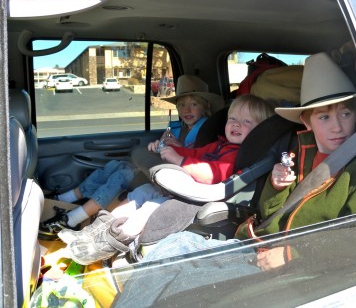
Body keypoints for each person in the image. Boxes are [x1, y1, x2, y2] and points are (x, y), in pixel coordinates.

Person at [111, 52, 356, 307]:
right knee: (173, 245)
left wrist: (291, 255)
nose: (338, 127)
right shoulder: (299, 150)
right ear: (306, 121)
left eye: (345, 113)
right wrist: (278, 187)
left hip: (298, 267)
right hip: (256, 244)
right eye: (324, 117)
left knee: (179, 285)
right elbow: (269, 210)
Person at [57, 94, 275, 264]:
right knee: (138, 194)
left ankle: (111, 242)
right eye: (232, 119)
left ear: (259, 132)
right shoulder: (220, 144)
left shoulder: (237, 155)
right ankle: (93, 233)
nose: (236, 124)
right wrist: (169, 149)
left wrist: (179, 161)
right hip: (181, 187)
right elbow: (196, 154)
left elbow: (212, 173)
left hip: (194, 198)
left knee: (149, 206)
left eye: (246, 121)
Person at [39, 75, 224, 240]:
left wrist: (177, 148)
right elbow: (165, 148)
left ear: (206, 107)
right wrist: (156, 146)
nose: (186, 109)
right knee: (114, 165)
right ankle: (66, 197)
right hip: (160, 168)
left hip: (174, 178)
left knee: (122, 174)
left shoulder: (205, 130)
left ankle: (72, 219)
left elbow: (195, 160)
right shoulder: (178, 127)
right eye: (182, 104)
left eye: (194, 104)